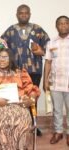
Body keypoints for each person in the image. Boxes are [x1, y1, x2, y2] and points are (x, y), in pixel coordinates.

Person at [0, 48, 40, 150]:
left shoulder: (19, 72)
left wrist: (30, 100)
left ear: (11, 59)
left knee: (23, 122)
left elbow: (32, 90)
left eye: (5, 57)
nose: (2, 60)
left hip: (18, 105)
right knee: (2, 124)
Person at [1, 4, 50, 136]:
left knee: (33, 98)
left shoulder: (38, 30)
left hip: (35, 70)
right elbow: (0, 47)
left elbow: (49, 48)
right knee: (17, 98)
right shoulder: (10, 31)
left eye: (26, 13)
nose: (23, 15)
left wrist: (42, 51)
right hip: (16, 72)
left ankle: (34, 125)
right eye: (21, 13)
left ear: (29, 14)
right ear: (17, 14)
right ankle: (19, 125)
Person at [43, 16, 69, 146]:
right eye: (60, 24)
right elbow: (48, 62)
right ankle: (58, 132)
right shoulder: (51, 42)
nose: (63, 26)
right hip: (55, 82)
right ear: (56, 26)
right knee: (57, 110)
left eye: (66, 23)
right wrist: (45, 80)